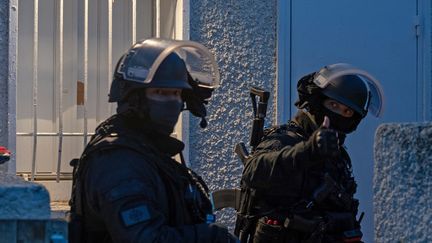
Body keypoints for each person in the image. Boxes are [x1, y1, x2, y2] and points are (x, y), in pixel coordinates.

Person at [69, 38, 238, 243]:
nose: (172, 103)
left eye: (176, 93)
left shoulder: (149, 151)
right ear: (134, 98)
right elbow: (145, 239)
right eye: (160, 92)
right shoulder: (118, 162)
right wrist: (211, 237)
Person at [235, 63, 384, 243]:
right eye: (333, 104)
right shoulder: (286, 139)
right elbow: (253, 172)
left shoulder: (337, 154)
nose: (339, 113)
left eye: (347, 111)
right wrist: (307, 152)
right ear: (317, 101)